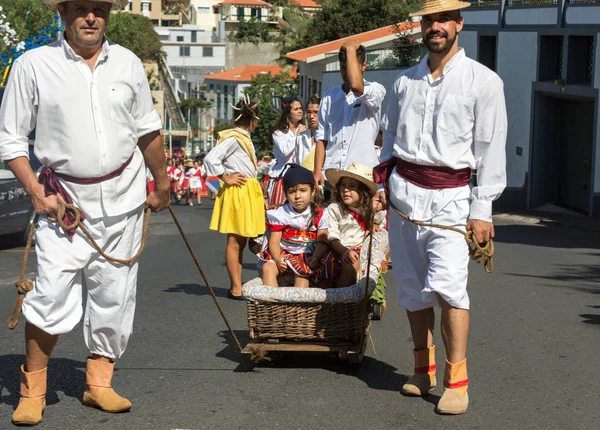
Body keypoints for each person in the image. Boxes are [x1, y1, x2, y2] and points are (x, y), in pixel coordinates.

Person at [0, 0, 170, 425]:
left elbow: (147, 128)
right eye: (80, 8)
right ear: (63, 14)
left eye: (98, 8)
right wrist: (37, 193)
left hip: (125, 198)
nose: (90, 16)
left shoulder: (128, 63)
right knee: (49, 295)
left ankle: (98, 385)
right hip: (63, 205)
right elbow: (11, 141)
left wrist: (162, 181)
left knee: (114, 296)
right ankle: (33, 389)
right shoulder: (32, 65)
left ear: (107, 14)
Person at [373, 0, 507, 415]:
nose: (436, 27)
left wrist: (482, 209)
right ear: (422, 27)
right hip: (403, 196)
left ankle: (457, 380)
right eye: (429, 20)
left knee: (450, 290)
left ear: (459, 24)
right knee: (411, 288)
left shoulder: (483, 82)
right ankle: (421, 368)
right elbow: (390, 138)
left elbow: (489, 149)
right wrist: (382, 183)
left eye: (444, 19)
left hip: (451, 200)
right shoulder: (404, 82)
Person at [204, 97, 265, 300]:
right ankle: (236, 287)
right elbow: (211, 158)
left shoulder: (242, 137)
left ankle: (236, 285)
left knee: (241, 239)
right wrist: (225, 177)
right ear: (253, 119)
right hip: (239, 189)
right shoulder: (234, 138)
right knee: (234, 240)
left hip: (248, 188)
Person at [313, 40, 386, 186]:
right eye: (342, 68)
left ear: (363, 66)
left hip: (361, 176)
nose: (346, 73)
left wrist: (351, 49)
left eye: (350, 67)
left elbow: (356, 86)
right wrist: (316, 171)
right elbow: (322, 138)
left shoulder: (376, 90)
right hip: (332, 174)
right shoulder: (329, 96)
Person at [258, 165, 329, 288]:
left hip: (307, 255)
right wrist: (277, 258)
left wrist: (316, 257)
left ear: (312, 191)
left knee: (302, 276)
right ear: (286, 194)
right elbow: (274, 241)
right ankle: (272, 302)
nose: (297, 196)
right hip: (283, 252)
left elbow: (322, 240)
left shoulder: (319, 214)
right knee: (267, 268)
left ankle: (298, 305)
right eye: (291, 192)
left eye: (303, 190)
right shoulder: (281, 214)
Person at [324, 164, 386, 289]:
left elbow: (381, 223)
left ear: (363, 191)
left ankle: (342, 299)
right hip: (338, 250)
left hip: (360, 252)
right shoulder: (335, 209)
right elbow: (332, 238)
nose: (346, 190)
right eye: (343, 185)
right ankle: (335, 299)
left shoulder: (371, 211)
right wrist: (345, 252)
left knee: (351, 266)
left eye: (352, 186)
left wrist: (373, 225)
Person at [267, 98, 306, 208]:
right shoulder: (278, 133)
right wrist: (298, 135)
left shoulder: (304, 129)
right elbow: (285, 151)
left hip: (300, 176)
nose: (300, 111)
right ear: (288, 112)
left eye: (301, 108)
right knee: (280, 210)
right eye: (296, 109)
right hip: (282, 177)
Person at [297, 94, 321, 172]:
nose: (311, 116)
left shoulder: (330, 137)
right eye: (308, 112)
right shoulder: (301, 137)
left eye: (316, 112)